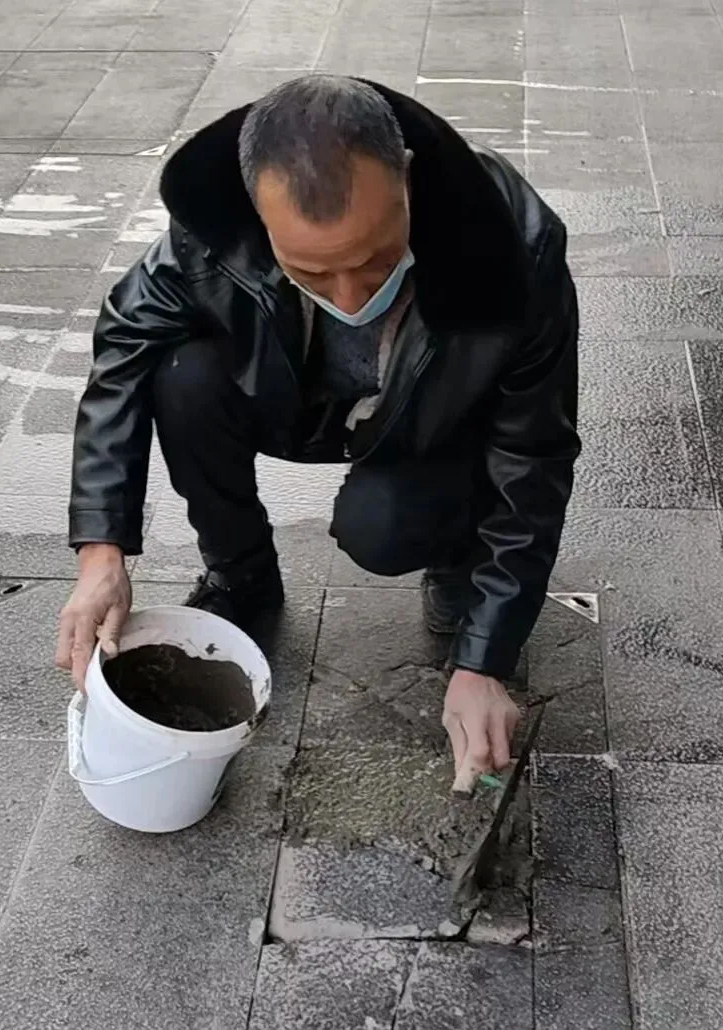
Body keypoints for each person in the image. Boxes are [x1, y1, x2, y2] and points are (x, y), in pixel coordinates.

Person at [56, 75, 579, 791]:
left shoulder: (515, 245)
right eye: (311, 271)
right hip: (293, 400)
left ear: (407, 179)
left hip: (428, 424)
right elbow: (123, 348)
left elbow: (533, 454)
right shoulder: (212, 228)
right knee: (180, 377)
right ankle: (241, 575)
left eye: (375, 259)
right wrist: (100, 553)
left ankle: (457, 566)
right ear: (257, 216)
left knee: (382, 527)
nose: (350, 297)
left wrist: (484, 661)